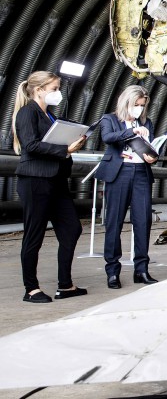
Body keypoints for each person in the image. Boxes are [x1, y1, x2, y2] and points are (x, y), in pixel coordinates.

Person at [13, 71, 86, 303]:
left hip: (56, 181)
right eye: (54, 89)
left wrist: (73, 143)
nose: (58, 93)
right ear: (39, 89)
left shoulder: (50, 116)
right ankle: (31, 289)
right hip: (35, 180)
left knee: (72, 228)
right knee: (34, 234)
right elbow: (31, 145)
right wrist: (66, 150)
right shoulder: (27, 112)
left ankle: (65, 285)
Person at [96, 85, 159, 288]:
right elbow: (107, 137)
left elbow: (149, 146)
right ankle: (112, 272)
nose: (139, 109)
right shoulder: (110, 119)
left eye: (142, 105)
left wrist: (152, 157)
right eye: (136, 104)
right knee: (114, 223)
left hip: (141, 173)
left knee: (143, 222)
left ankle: (141, 270)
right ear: (126, 102)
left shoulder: (146, 121)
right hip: (119, 174)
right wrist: (131, 131)